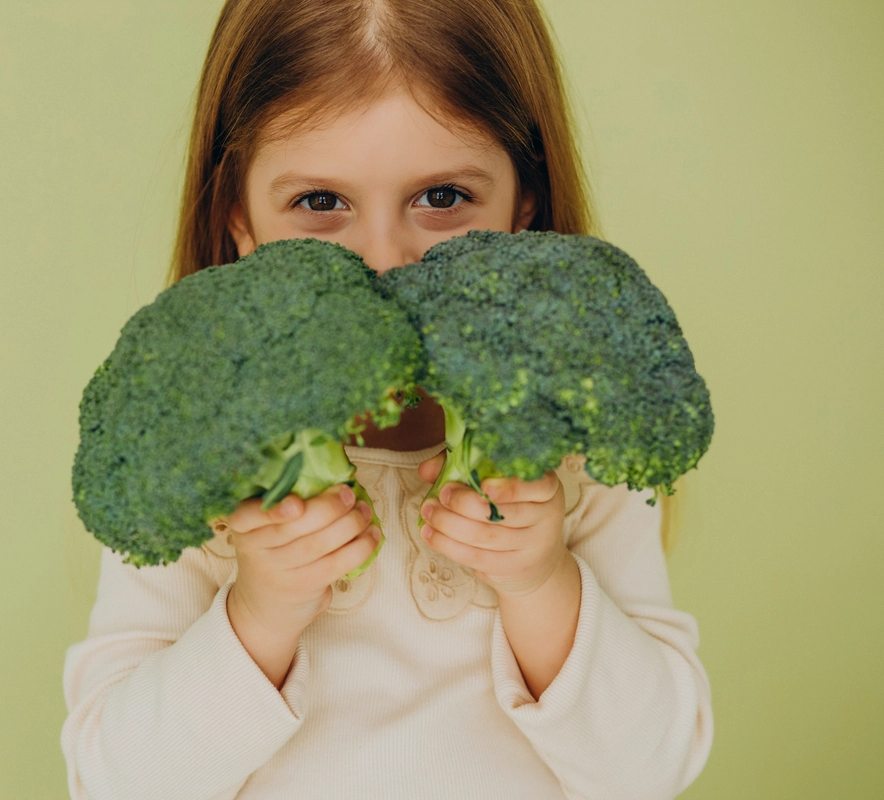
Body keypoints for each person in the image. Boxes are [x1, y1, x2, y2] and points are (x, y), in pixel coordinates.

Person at [61, 1, 714, 798]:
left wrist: (543, 586)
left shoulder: (573, 440)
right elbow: (117, 782)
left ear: (525, 209)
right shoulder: (203, 454)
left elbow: (651, 771)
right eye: (320, 203)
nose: (383, 257)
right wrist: (259, 614)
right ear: (239, 221)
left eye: (441, 197)